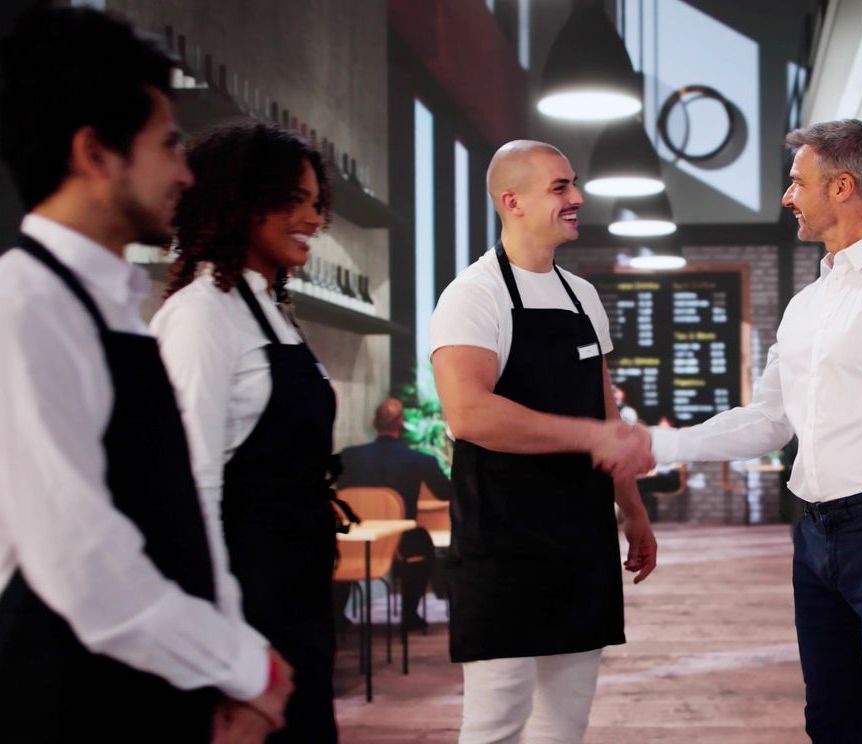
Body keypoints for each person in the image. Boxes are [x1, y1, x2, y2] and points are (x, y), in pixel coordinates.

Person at [0, 7, 292, 742]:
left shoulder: (116, 308)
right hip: (72, 700)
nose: (185, 173)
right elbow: (83, 565)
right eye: (167, 145)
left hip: (159, 688)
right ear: (95, 153)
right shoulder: (23, 308)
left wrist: (235, 659)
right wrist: (242, 667)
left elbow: (177, 507)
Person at [645, 119, 862, 743]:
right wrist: (659, 444)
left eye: (797, 181)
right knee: (830, 722)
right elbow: (770, 420)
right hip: (813, 533)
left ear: (842, 187)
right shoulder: (807, 305)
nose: (787, 196)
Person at [430, 140, 658, 743]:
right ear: (513, 201)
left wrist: (633, 510)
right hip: (501, 540)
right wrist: (590, 435)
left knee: (565, 722)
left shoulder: (583, 296)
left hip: (581, 537)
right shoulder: (472, 296)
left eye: (573, 183)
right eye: (561, 187)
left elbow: (604, 410)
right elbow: (470, 413)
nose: (577, 197)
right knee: (496, 722)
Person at [152, 120, 341, 742]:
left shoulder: (268, 311)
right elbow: (190, 488)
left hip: (297, 586)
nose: (313, 219)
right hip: (248, 592)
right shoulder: (201, 316)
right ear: (239, 200)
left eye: (316, 203)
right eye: (295, 200)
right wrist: (221, 640)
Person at [337, 397, 452, 631]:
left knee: (338, 547)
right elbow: (445, 492)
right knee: (423, 544)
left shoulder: (347, 458)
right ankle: (410, 616)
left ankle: (336, 617)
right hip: (401, 543)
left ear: (374, 423)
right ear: (401, 423)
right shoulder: (420, 460)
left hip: (354, 543)